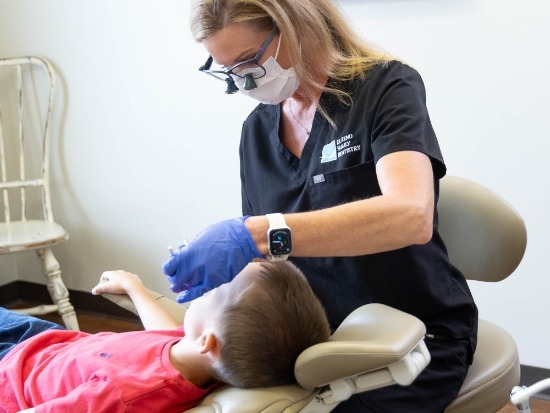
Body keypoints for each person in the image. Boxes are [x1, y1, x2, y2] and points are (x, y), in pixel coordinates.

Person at [162, 1, 479, 412]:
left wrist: (257, 235)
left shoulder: (385, 88)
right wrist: (213, 285)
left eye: (248, 61)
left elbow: (411, 216)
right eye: (228, 71)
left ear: (297, 26)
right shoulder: (257, 132)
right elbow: (264, 266)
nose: (242, 83)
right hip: (310, 343)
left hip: (412, 334)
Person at [0, 261, 330, 413]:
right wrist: (134, 287)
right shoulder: (196, 357)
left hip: (13, 378)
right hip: (52, 343)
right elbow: (160, 335)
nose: (205, 287)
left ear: (208, 342)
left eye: (213, 291)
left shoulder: (126, 395)